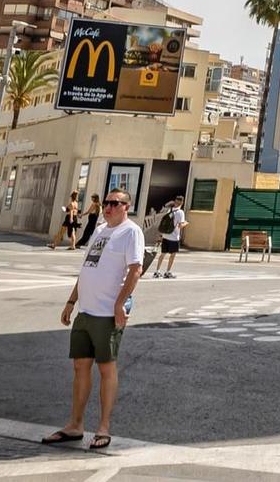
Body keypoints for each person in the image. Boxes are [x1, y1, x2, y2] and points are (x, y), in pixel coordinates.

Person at [44, 188, 144, 451]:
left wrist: (120, 304)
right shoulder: (100, 231)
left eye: (115, 203)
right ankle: (75, 425)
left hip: (106, 313)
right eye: (107, 203)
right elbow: (86, 268)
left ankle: (103, 427)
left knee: (106, 368)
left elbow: (136, 270)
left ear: (126, 206)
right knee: (80, 367)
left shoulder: (131, 232)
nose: (108, 207)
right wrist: (71, 301)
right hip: (85, 312)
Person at [148, 197, 185, 278]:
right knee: (172, 255)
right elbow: (180, 225)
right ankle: (167, 272)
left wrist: (161, 235)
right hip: (174, 237)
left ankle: (157, 271)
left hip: (165, 236)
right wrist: (186, 223)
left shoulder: (169, 210)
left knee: (162, 254)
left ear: (175, 202)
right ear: (182, 203)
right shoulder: (180, 212)